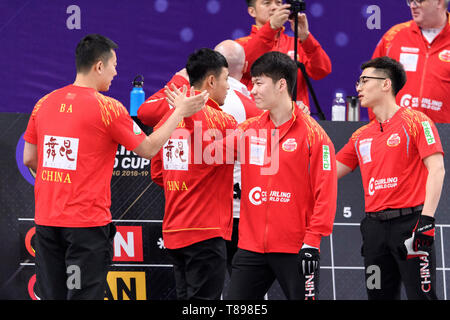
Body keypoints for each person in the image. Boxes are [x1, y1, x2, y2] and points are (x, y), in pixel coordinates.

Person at [22, 34, 206, 300]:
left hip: (46, 223)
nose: (116, 72)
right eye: (114, 65)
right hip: (85, 226)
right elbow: (149, 148)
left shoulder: (44, 102)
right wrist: (179, 111)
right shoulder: (108, 108)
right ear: (99, 66)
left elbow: (29, 157)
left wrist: (61, 178)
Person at [191, 51, 337, 300]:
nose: (252, 90)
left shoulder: (314, 135)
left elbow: (326, 191)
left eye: (259, 83)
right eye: (252, 83)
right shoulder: (248, 129)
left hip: (296, 248)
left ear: (282, 85)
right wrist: (189, 114)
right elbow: (207, 154)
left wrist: (312, 241)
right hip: (251, 248)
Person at [336, 56, 445, 300]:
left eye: (365, 81)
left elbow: (437, 169)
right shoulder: (360, 135)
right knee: (377, 296)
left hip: (411, 225)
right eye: (358, 82)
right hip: (374, 231)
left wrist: (426, 221)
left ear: (386, 84)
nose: (358, 88)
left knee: (422, 296)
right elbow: (328, 172)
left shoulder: (417, 121)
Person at [149, 48, 238, 300]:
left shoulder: (166, 120)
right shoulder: (225, 122)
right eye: (226, 80)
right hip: (207, 232)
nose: (228, 88)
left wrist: (184, 182)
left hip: (174, 232)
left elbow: (158, 174)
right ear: (211, 81)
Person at [236, 0, 332, 110]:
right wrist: (270, 28)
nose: (274, 7)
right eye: (267, 3)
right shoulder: (241, 44)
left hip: (295, 119)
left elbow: (322, 71)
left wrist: (306, 37)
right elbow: (247, 66)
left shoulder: (297, 43)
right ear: (252, 11)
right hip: (256, 119)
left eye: (278, 3)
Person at [369, 0, 450, 123]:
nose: (413, 5)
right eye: (410, 1)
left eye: (419, 1)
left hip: (444, 136)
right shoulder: (393, 36)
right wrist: (379, 124)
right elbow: (371, 83)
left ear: (439, 2)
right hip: (396, 136)